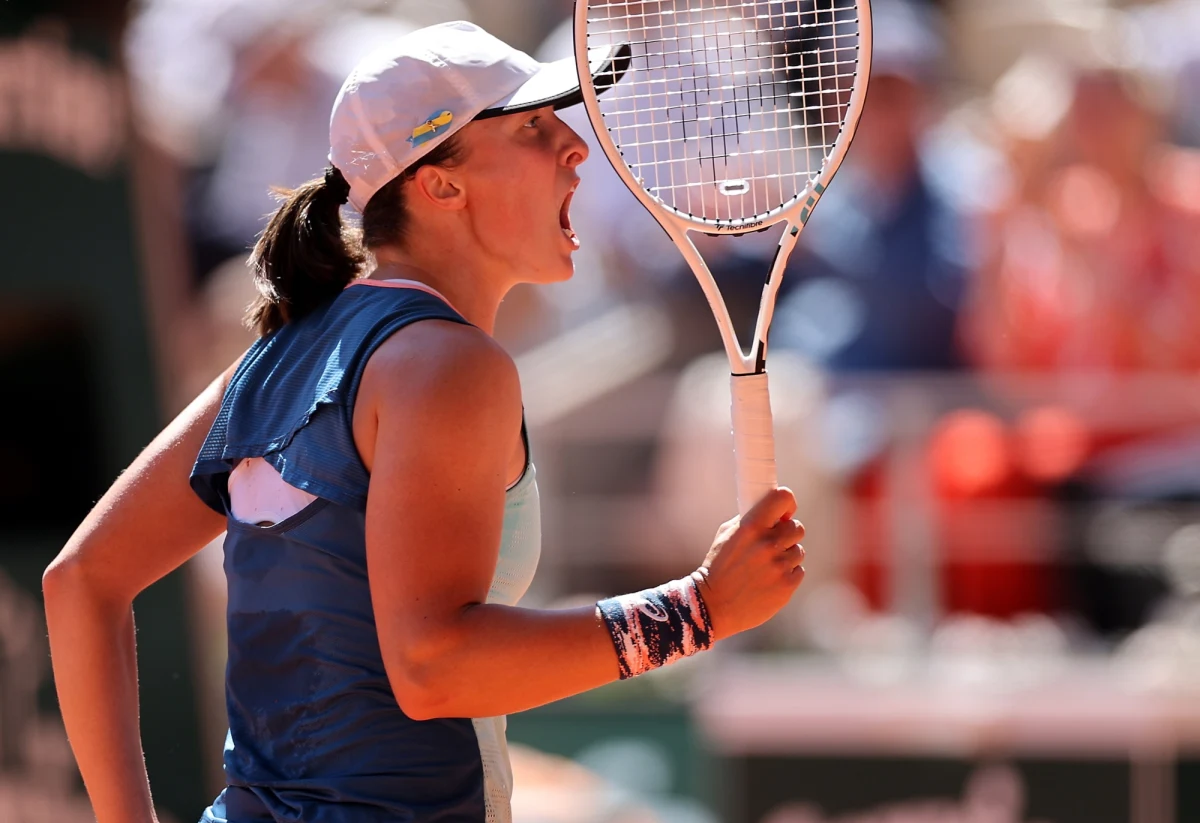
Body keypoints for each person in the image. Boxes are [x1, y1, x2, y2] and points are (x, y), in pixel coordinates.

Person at [42, 21, 807, 823]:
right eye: (533, 128)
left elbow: (80, 581)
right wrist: (698, 609)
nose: (576, 149)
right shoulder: (450, 363)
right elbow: (433, 664)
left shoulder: (271, 359)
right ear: (440, 185)